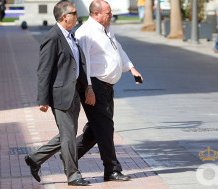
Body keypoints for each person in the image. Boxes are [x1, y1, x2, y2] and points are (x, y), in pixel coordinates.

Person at [74, 0, 143, 182]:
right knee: (105, 129)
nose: (111, 15)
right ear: (96, 14)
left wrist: (131, 69)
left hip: (106, 87)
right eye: (108, 13)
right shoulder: (85, 33)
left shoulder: (106, 29)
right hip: (94, 86)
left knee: (96, 130)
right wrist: (88, 88)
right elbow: (84, 64)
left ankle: (69, 154)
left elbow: (117, 49)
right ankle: (112, 170)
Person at [24, 1, 90, 186]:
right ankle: (73, 175)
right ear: (64, 16)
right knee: (68, 135)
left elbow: (77, 65)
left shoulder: (71, 36)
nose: (77, 16)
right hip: (61, 94)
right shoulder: (52, 37)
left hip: (74, 93)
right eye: (74, 13)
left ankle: (35, 158)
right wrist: (42, 99)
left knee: (66, 134)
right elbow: (44, 70)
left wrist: (86, 88)